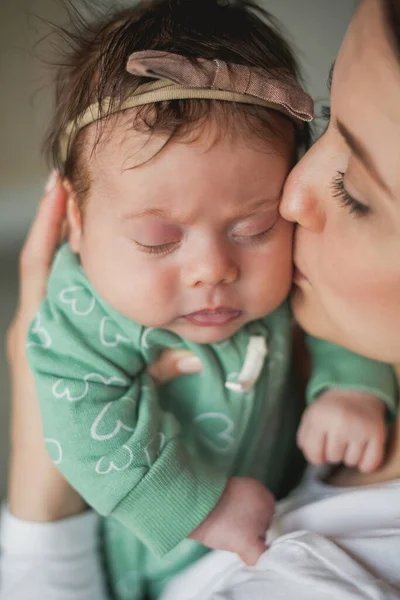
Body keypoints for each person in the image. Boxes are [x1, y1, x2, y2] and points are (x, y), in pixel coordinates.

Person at [1, 0, 399, 598]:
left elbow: (341, 323)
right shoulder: (85, 307)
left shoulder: (296, 262)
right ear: (77, 225)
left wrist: (350, 386)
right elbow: (76, 418)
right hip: (144, 562)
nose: (214, 270)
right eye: (157, 240)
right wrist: (200, 510)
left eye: (254, 228)